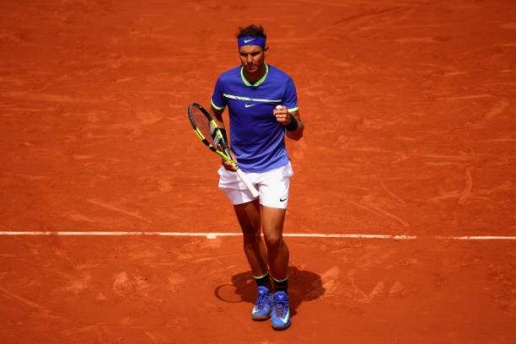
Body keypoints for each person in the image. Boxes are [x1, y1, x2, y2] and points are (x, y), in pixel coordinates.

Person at [208, 24, 304, 331]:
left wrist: (289, 120)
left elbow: (299, 133)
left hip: (273, 167)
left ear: (265, 51)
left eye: (255, 53)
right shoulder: (226, 80)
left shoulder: (282, 82)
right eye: (244, 53)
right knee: (250, 235)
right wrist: (221, 141)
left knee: (272, 237)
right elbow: (214, 112)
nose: (250, 59)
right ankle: (263, 290)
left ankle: (281, 295)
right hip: (239, 168)